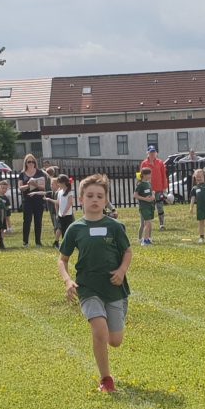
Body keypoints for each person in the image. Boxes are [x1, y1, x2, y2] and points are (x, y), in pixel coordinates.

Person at [56, 174, 132, 394]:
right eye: (89, 196)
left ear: (106, 199)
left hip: (114, 287)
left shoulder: (115, 227)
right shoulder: (75, 228)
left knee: (115, 340)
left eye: (99, 196)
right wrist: (68, 280)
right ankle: (106, 379)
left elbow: (127, 252)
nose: (95, 200)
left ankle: (111, 326)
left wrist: (121, 271)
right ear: (81, 199)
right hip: (88, 287)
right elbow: (62, 259)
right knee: (99, 330)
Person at [17, 154, 48, 246]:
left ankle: (38, 242)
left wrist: (35, 184)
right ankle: (25, 242)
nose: (31, 163)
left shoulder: (40, 172)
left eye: (32, 161)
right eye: (29, 162)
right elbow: (20, 188)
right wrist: (29, 185)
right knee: (27, 220)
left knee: (38, 221)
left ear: (35, 162)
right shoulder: (22, 174)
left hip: (38, 199)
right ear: (25, 163)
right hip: (27, 200)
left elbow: (43, 187)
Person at [139, 147, 169, 230]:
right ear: (148, 153)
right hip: (148, 189)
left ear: (156, 153)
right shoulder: (144, 163)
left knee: (160, 206)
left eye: (153, 153)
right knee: (149, 207)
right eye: (150, 153)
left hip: (159, 188)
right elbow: (140, 176)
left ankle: (162, 224)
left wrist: (164, 187)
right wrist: (141, 186)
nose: (152, 154)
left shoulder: (160, 162)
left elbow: (163, 175)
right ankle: (148, 224)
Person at [52, 175, 74, 250]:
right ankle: (57, 242)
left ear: (63, 183)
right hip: (61, 215)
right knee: (60, 228)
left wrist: (65, 212)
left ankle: (65, 243)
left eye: (59, 183)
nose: (58, 184)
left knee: (67, 229)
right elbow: (57, 202)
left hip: (67, 215)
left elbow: (70, 203)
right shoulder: (60, 192)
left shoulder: (69, 192)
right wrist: (57, 212)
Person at [135, 168, 156, 245]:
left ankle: (148, 239)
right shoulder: (140, 185)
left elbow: (152, 193)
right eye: (149, 174)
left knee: (149, 223)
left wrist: (153, 196)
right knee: (146, 223)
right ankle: (144, 240)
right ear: (144, 175)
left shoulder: (149, 184)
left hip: (150, 206)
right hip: (144, 207)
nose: (150, 175)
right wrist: (145, 199)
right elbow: (135, 195)